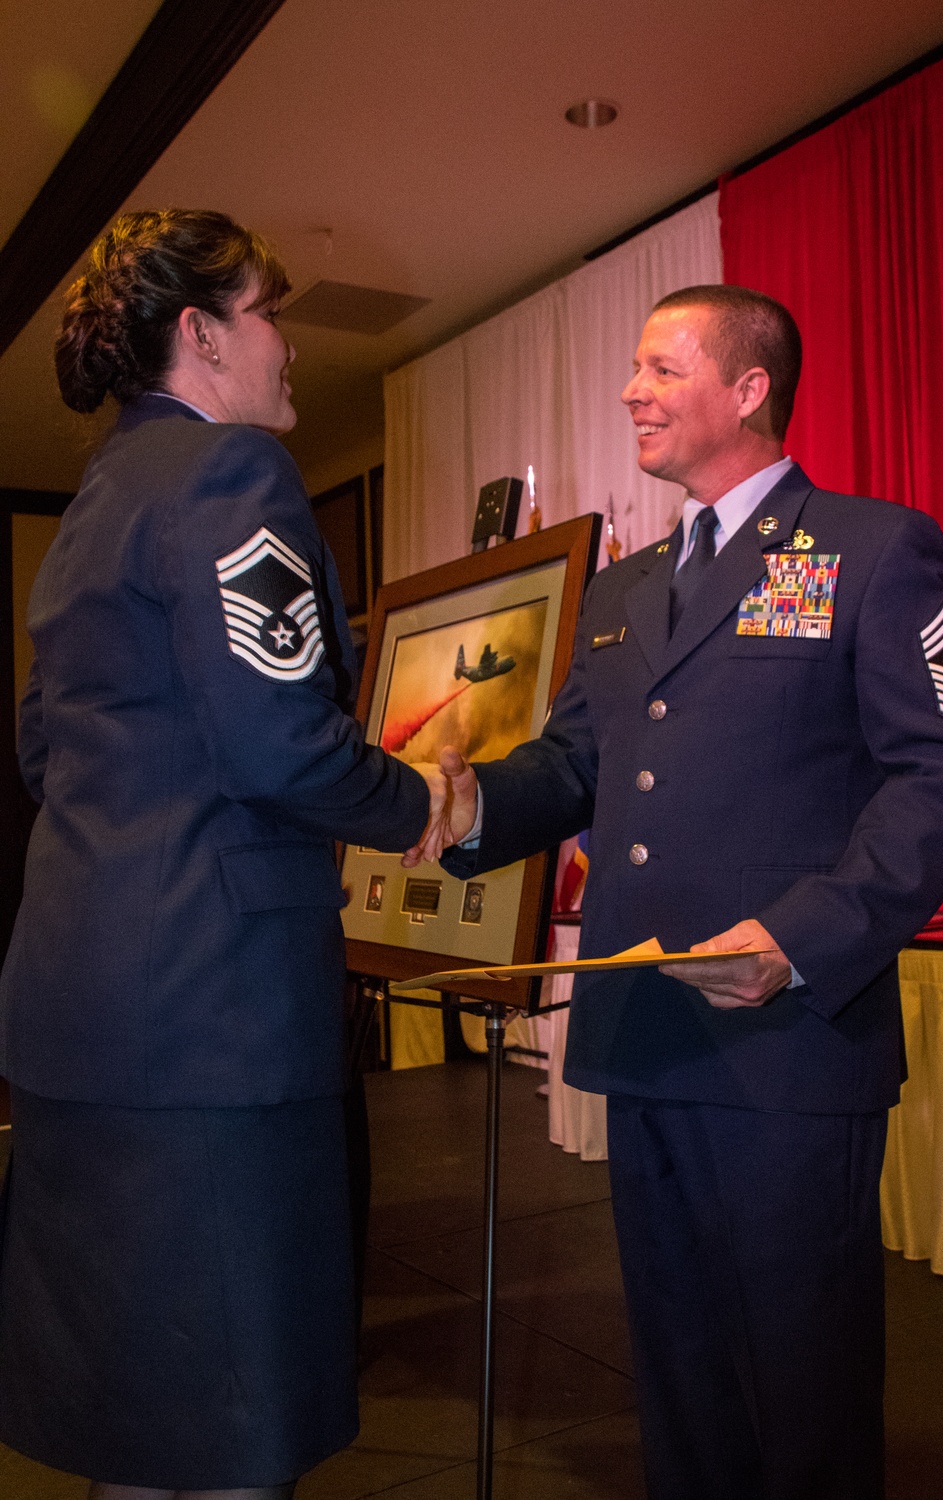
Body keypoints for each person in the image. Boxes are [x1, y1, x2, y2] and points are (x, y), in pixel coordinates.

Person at [415, 285, 943, 1499]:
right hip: (644, 1029)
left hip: (786, 1034)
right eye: (631, 368)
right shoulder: (627, 591)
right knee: (676, 1370)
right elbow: (575, 762)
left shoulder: (873, 548)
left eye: (661, 367)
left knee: (801, 1377)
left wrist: (799, 940)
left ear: (748, 391)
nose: (631, 389)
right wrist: (472, 808)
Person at [0, 209, 448, 1500]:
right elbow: (283, 747)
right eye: (268, 315)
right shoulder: (231, 478)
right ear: (201, 336)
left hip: (85, 1028)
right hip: (217, 1036)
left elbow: (45, 753)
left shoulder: (91, 509)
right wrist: (419, 797)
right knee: (235, 1444)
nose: (288, 347)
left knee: (140, 1430)